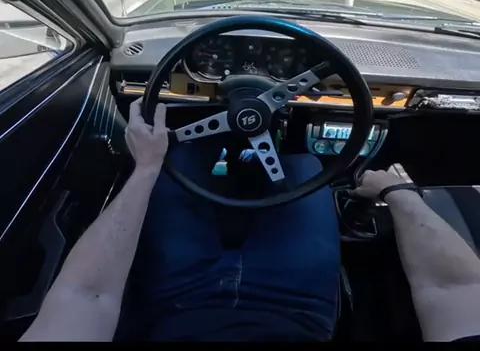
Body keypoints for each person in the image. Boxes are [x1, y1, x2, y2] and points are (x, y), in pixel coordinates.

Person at [19, 99, 480, 342]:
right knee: (305, 166)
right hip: (296, 311)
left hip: (174, 307)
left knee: (182, 156)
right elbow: (457, 291)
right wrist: (395, 190)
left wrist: (147, 168)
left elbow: (85, 297)